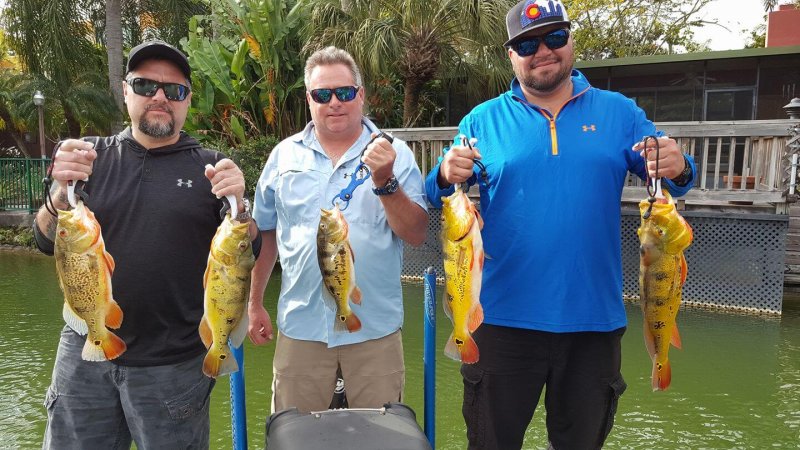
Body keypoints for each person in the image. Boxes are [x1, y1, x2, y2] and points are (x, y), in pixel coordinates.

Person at [424, 1, 697, 449]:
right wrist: (443, 172)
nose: (543, 51)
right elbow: (435, 194)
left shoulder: (620, 112)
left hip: (593, 323)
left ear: (571, 41)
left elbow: (679, 177)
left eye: (554, 38)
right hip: (500, 322)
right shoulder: (482, 120)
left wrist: (678, 163)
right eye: (528, 44)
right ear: (511, 55)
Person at [33, 40, 260, 449]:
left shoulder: (210, 167)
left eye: (173, 91)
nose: (159, 97)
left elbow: (247, 254)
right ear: (125, 92)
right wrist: (58, 191)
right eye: (145, 85)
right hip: (83, 355)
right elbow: (45, 241)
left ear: (188, 101)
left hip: (174, 365)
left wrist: (241, 207)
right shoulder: (89, 157)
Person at [247, 46, 428, 413]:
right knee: (295, 437)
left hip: (373, 331)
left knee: (379, 439)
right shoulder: (283, 156)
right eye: (322, 94)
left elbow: (416, 233)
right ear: (309, 99)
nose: (335, 103)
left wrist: (385, 181)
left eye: (344, 92)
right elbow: (266, 233)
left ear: (360, 95)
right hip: (301, 328)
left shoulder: (396, 154)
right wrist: (253, 303)